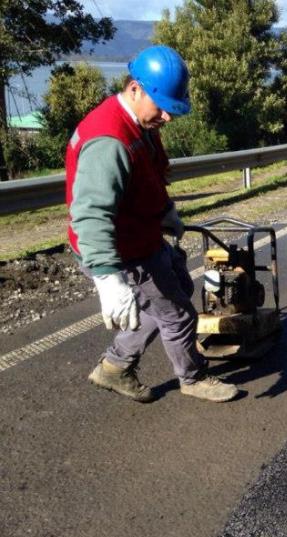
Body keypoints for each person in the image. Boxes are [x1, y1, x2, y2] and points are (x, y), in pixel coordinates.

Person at [66, 45, 239, 403]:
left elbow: (145, 178)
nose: (167, 117)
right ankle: (192, 378)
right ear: (135, 88)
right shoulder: (110, 141)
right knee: (178, 314)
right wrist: (109, 279)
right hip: (119, 249)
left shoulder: (138, 122)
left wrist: (166, 212)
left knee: (166, 297)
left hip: (140, 235)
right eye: (161, 107)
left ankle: (114, 367)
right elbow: (91, 214)